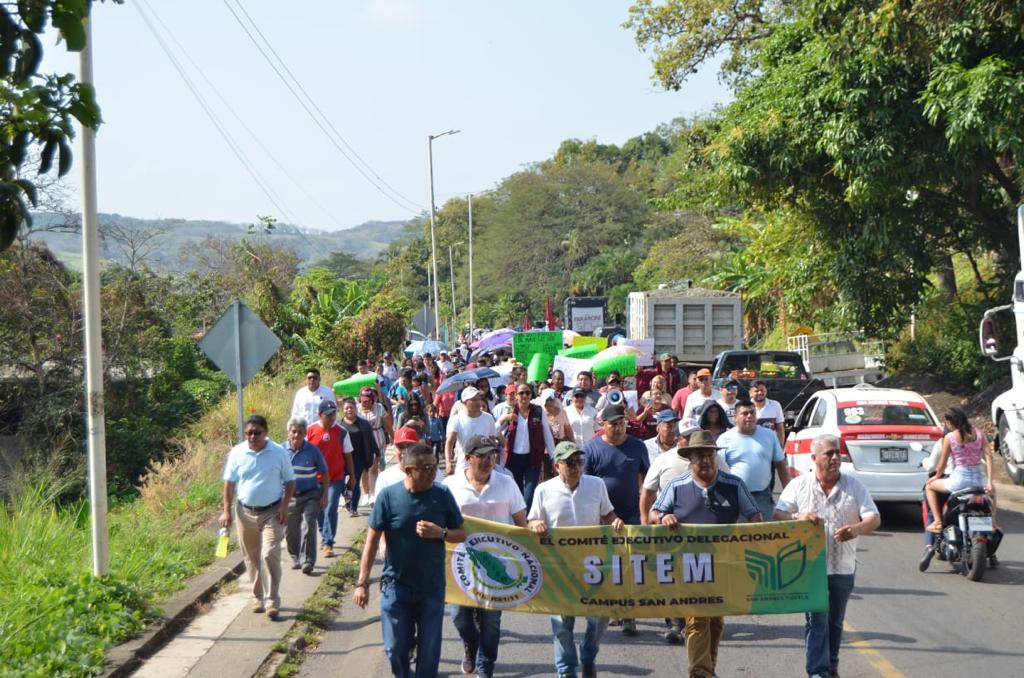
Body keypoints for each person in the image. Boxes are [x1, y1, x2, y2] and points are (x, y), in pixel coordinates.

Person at [650, 432, 761, 678]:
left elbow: (754, 515)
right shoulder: (676, 486)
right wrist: (664, 516)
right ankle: (699, 673)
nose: (706, 460)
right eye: (700, 456)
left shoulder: (733, 485)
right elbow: (653, 514)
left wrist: (750, 534)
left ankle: (708, 669)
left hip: (724, 564)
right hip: (689, 565)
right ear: (690, 459)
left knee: (715, 621)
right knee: (697, 618)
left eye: (710, 455)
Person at [353, 443, 467, 678]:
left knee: (430, 652)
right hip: (397, 585)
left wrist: (441, 533)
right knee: (394, 648)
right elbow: (372, 540)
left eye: (434, 467)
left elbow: (462, 533)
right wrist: (362, 583)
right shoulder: (389, 496)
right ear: (407, 470)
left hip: (431, 587)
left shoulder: (442, 495)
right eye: (424, 468)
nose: (432, 473)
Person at [774, 434, 880, 678]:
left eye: (837, 453)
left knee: (835, 622)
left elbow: (874, 518)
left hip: (843, 566)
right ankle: (817, 672)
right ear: (814, 458)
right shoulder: (799, 485)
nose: (834, 458)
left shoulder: (854, 486)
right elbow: (778, 513)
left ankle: (831, 665)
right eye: (828, 453)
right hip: (810, 568)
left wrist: (855, 530)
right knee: (817, 621)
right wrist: (796, 517)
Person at [528, 441, 624, 678]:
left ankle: (589, 655)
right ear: (556, 466)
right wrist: (535, 524)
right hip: (559, 567)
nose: (575, 467)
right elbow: (531, 521)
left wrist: (614, 521)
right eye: (570, 462)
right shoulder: (543, 490)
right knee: (562, 624)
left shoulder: (596, 484)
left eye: (580, 462)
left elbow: (607, 513)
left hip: (593, 566)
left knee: (600, 617)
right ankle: (566, 669)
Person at [443, 435, 528, 678]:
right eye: (482, 455)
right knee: (459, 617)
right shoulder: (450, 485)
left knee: (491, 622)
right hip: (461, 566)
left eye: (492, 454)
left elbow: (522, 523)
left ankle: (485, 667)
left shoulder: (507, 483)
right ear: (468, 457)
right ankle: (471, 644)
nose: (489, 459)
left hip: (497, 568)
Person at [582, 403, 650, 637]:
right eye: (614, 424)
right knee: (608, 565)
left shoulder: (638, 447)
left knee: (630, 566)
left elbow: (648, 481)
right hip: (602, 517)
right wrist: (600, 515)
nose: (619, 428)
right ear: (603, 425)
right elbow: (586, 486)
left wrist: (646, 512)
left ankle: (629, 615)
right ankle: (612, 609)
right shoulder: (591, 449)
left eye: (622, 423)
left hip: (630, 514)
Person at [220, 415, 296, 619]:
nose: (252, 437)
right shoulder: (237, 453)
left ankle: (273, 599)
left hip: (272, 511)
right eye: (248, 433)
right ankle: (257, 596)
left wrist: (284, 506)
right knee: (252, 558)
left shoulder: (278, 453)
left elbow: (290, 482)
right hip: (245, 513)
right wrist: (226, 510)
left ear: (266, 432)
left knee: (269, 554)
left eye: (256, 432)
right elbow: (229, 483)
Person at [925, 406, 997, 533]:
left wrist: (936, 477)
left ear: (950, 422)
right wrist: (990, 481)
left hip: (959, 480)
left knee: (929, 487)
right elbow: (988, 456)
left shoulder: (950, 437)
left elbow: (942, 464)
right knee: (993, 492)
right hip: (979, 479)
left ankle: (937, 521)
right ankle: (993, 523)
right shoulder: (979, 433)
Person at [717, 400, 790, 520]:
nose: (749, 416)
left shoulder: (769, 435)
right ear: (735, 417)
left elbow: (780, 464)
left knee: (764, 535)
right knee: (739, 536)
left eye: (752, 412)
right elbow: (718, 470)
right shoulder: (724, 439)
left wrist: (788, 492)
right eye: (744, 413)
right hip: (735, 497)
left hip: (762, 496)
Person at [307, 400, 355, 559]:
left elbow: (348, 456)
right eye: (328, 415)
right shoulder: (310, 431)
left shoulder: (341, 432)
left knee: (331, 507)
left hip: (336, 477)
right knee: (320, 511)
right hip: (315, 479)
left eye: (333, 414)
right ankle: (324, 533)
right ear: (320, 415)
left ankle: (328, 542)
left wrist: (352, 478)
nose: (332, 418)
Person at [498, 382, 556, 510]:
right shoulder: (509, 411)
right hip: (513, 460)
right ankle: (520, 524)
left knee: (529, 496)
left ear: (531, 395)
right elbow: (493, 430)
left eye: (527, 392)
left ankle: (527, 521)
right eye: (521, 393)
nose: (524, 395)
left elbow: (547, 434)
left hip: (533, 459)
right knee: (517, 495)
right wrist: (504, 419)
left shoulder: (538, 411)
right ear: (516, 396)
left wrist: (554, 457)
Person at [283, 417, 328, 575]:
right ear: (289, 433)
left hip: (311, 495)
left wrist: (325, 496)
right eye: (293, 431)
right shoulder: (281, 451)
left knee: (309, 523)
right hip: (290, 497)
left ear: (305, 434)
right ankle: (295, 556)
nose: (296, 435)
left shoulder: (313, 450)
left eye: (300, 432)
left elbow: (324, 472)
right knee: (291, 529)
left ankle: (308, 560)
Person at [339, 397, 381, 518]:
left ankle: (353, 507)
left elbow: (371, 440)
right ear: (343, 410)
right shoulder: (339, 425)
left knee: (355, 482)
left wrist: (377, 454)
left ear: (355, 409)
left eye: (351, 408)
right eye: (346, 408)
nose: (349, 410)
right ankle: (347, 498)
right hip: (343, 460)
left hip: (359, 459)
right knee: (341, 483)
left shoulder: (363, 424)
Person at [445, 387, 499, 475]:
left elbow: (492, 441)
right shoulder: (456, 419)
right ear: (464, 402)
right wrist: (448, 462)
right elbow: (450, 442)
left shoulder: (488, 418)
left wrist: (493, 461)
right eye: (473, 400)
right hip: (463, 466)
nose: (477, 402)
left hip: (484, 465)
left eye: (478, 399)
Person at [357, 387, 392, 506]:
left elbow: (387, 424)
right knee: (364, 468)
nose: (365, 402)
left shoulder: (379, 408)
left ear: (372, 400)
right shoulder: (357, 409)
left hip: (378, 438)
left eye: (367, 400)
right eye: (363, 400)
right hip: (363, 441)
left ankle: (375, 492)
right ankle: (366, 493)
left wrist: (393, 437)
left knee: (376, 467)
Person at [750, 380, 786, 447]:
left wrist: (780, 447)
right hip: (752, 447)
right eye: (756, 391)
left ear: (766, 391)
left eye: (762, 390)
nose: (760, 393)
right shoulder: (746, 407)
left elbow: (780, 428)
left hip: (771, 446)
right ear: (750, 393)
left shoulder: (775, 405)